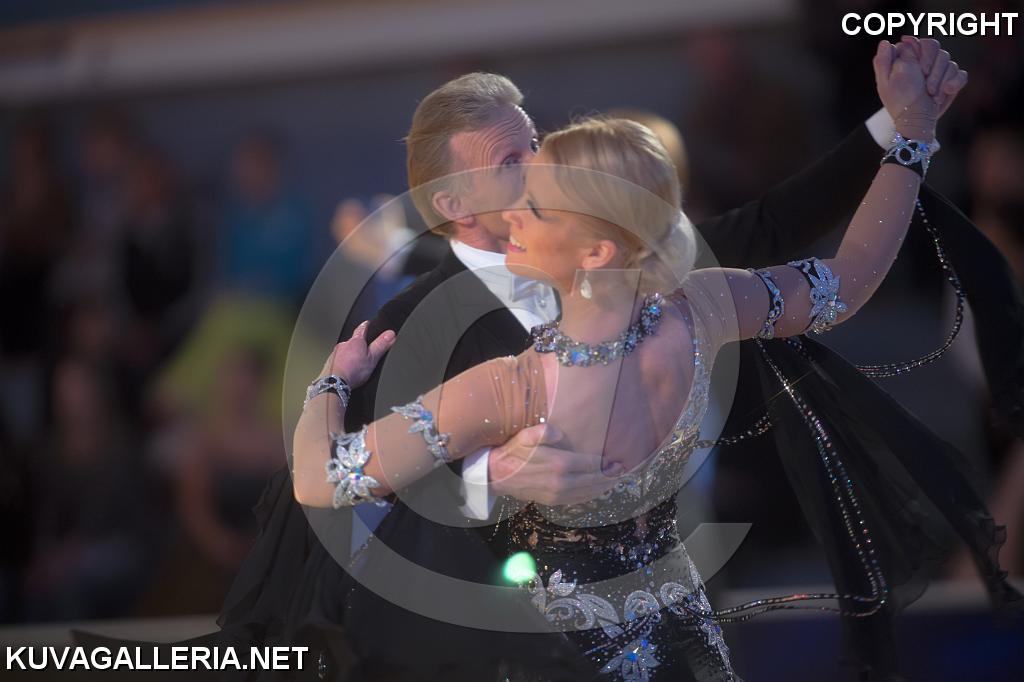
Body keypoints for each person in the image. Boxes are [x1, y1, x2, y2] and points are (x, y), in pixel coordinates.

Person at [286, 42, 1014, 681]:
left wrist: (330, 381)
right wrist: (913, 138)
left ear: (598, 248)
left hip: (564, 661)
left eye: (534, 205)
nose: (514, 212)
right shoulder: (707, 308)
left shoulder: (515, 388)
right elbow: (852, 276)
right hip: (686, 646)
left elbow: (320, 479)